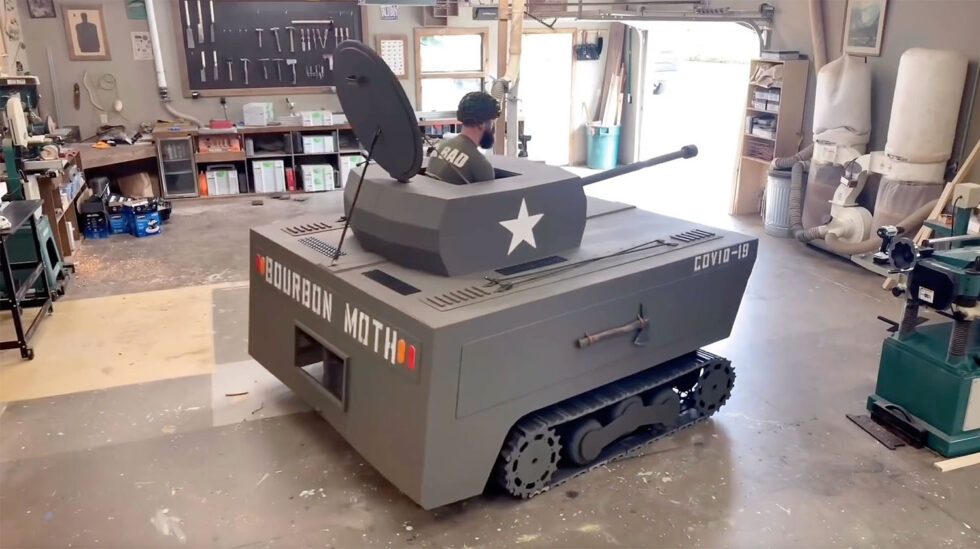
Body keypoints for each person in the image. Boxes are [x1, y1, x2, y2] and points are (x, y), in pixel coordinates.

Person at [426, 92, 500, 185]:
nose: (493, 127)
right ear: (481, 123)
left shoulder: (440, 147)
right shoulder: (481, 165)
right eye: (492, 122)